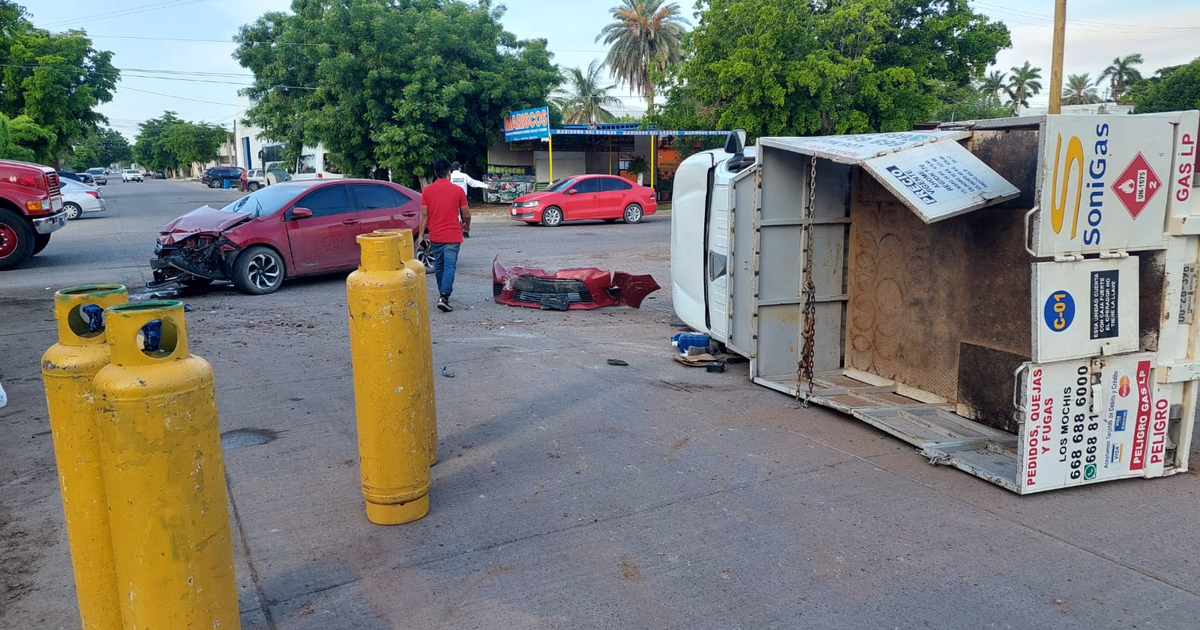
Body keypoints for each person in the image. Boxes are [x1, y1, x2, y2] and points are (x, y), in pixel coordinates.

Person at [418, 158, 470, 312]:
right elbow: (466, 214)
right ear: (449, 173)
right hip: (453, 236)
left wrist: (421, 235)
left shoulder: (427, 190)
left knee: (439, 265)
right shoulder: (458, 190)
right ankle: (444, 296)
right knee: (449, 266)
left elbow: (423, 215)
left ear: (435, 173)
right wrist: (468, 225)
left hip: (436, 235)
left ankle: (443, 294)